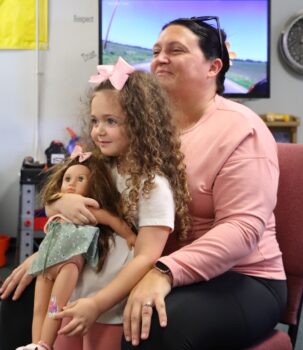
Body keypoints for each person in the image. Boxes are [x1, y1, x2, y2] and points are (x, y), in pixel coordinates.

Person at [0, 16, 287, 350]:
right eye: (156, 50)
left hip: (240, 278)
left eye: (175, 49)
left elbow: (243, 229)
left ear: (214, 67)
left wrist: (164, 271)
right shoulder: (137, 130)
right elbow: (88, 182)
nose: (160, 58)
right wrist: (58, 217)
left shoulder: (242, 130)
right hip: (139, 262)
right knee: (16, 300)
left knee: (150, 328)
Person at [0, 57, 190, 350]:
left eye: (111, 121)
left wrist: (98, 303)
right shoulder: (96, 168)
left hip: (109, 305)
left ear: (141, 125)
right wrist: (58, 208)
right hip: (72, 295)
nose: (98, 130)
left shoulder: (153, 186)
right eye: (95, 121)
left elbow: (145, 256)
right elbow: (58, 202)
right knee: (51, 334)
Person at [17, 145, 137, 350]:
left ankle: (45, 344)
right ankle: (35, 344)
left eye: (80, 180)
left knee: (54, 307)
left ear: (93, 186)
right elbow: (47, 206)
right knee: (39, 307)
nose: (71, 184)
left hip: (68, 265)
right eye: (67, 179)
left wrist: (130, 236)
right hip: (46, 262)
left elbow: (111, 219)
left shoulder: (88, 208)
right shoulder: (58, 203)